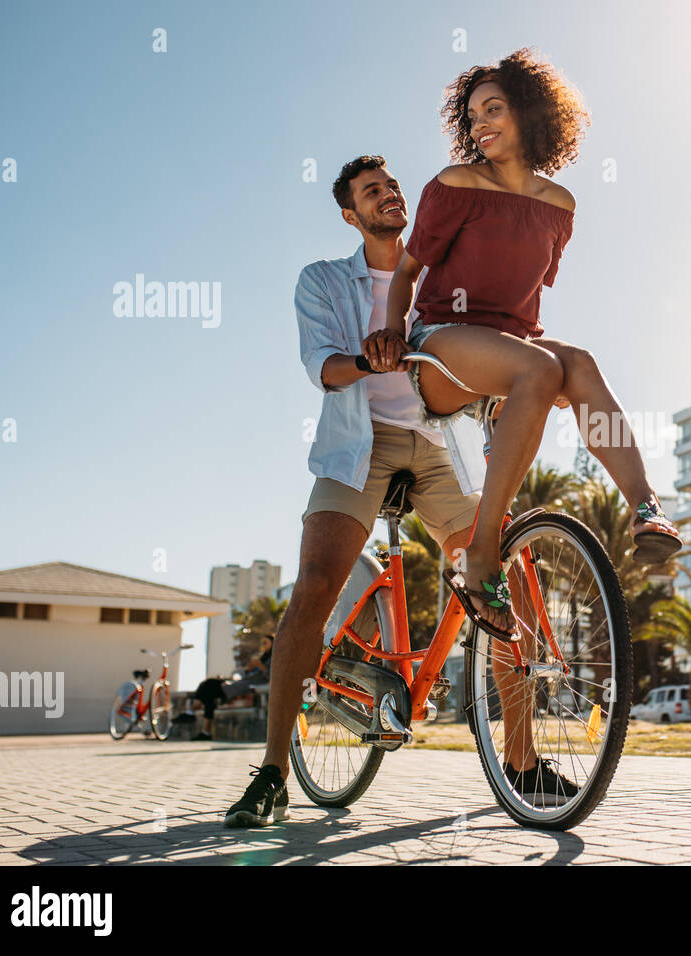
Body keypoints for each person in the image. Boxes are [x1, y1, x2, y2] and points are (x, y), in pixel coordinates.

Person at [364, 49, 682, 644]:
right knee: (540, 367)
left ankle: (647, 510)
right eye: (472, 114)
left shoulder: (559, 206)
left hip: (509, 348)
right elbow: (408, 273)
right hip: (438, 347)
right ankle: (482, 557)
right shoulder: (457, 185)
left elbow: (523, 299)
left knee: (578, 363)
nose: (480, 123)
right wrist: (391, 327)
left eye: (494, 109)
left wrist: (541, 374)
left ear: (531, 114)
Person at [222, 156, 498, 827]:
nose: (389, 194)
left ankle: (519, 764)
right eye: (372, 191)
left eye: (393, 186)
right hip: (358, 445)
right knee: (315, 583)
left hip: (436, 446)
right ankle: (271, 775)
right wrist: (369, 358)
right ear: (351, 213)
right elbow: (321, 365)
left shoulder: (435, 276)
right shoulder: (322, 280)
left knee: (496, 582)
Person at [191, 635, 273, 741]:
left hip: (244, 687)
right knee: (208, 693)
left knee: (209, 685)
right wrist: (249, 668)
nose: (263, 646)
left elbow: (270, 676)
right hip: (238, 684)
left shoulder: (272, 659)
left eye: (265, 643)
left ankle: (193, 711)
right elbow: (245, 674)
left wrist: (260, 666)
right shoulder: (263, 657)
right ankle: (205, 732)